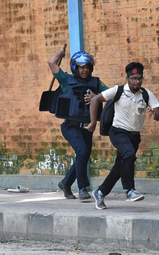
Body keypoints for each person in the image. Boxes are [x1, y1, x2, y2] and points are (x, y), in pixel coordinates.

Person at [86, 62, 159, 210]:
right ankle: (130, 191)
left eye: (140, 78)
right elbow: (95, 99)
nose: (137, 81)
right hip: (118, 131)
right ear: (127, 78)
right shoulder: (118, 91)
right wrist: (92, 122)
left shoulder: (146, 94)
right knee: (129, 155)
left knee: (120, 167)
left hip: (134, 136)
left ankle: (100, 192)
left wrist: (156, 113)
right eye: (134, 78)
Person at [48, 48, 108, 200]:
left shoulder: (96, 82)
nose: (85, 70)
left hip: (87, 128)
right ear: (75, 67)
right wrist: (60, 53)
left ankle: (66, 183)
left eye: (87, 67)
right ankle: (82, 188)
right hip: (70, 126)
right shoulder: (65, 80)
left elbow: (110, 94)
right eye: (81, 67)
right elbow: (52, 63)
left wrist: (97, 97)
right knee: (82, 151)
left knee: (83, 156)